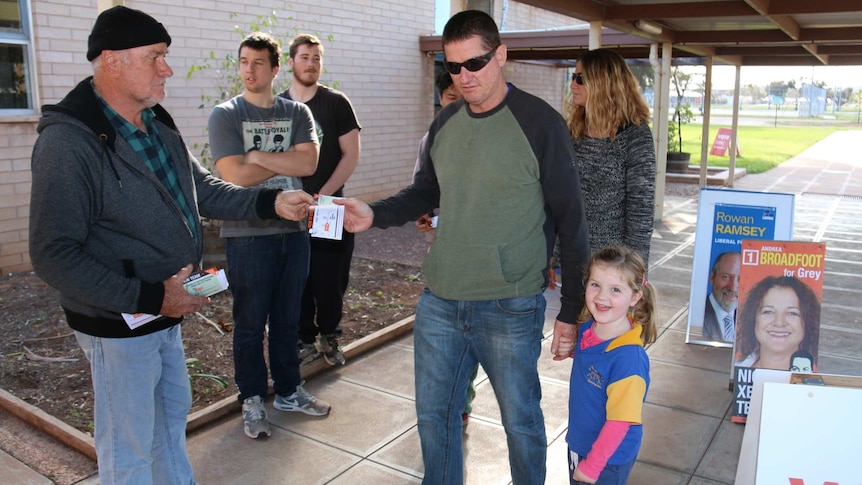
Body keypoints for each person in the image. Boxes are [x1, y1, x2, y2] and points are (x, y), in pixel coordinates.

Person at [28, 7, 314, 484]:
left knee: (167, 422)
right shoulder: (69, 142)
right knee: (129, 444)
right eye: (156, 57)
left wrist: (271, 201)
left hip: (166, 311)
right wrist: (153, 297)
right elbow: (52, 253)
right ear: (112, 60)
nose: (168, 68)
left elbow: (201, 189)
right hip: (119, 320)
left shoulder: (154, 120)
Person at [334, 10, 590, 484]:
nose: (465, 76)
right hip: (440, 301)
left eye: (475, 62)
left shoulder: (541, 124)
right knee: (435, 421)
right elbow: (423, 192)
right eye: (454, 67)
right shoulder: (445, 123)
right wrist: (374, 214)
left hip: (510, 302)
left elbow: (572, 221)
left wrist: (571, 310)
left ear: (501, 55)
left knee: (522, 425)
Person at [208, 32, 330, 440]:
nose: (249, 70)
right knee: (248, 323)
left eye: (258, 63)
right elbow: (233, 176)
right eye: (243, 62)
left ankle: (290, 391)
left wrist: (256, 156)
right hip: (246, 235)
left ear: (276, 68)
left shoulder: (296, 111)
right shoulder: (225, 115)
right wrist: (278, 160)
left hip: (293, 230)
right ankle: (252, 399)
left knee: (287, 319)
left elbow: (309, 162)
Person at [279, 33, 362, 366]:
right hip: (290, 207)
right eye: (304, 57)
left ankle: (330, 336)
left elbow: (351, 155)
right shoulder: (278, 106)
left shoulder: (336, 103)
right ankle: (304, 339)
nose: (311, 63)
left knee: (329, 276)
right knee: (295, 276)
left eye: (316, 58)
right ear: (290, 62)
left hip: (328, 208)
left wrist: (324, 194)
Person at [413, 68, 478, 429]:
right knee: (446, 341)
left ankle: (462, 400)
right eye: (451, 98)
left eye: (462, 97)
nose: (457, 104)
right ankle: (448, 404)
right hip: (440, 253)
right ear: (441, 98)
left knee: (471, 339)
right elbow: (421, 191)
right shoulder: (432, 139)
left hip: (477, 256)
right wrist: (422, 216)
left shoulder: (484, 135)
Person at [566, 246, 657, 485]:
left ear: (635, 297)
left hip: (606, 458)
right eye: (595, 285)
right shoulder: (588, 329)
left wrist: (592, 466)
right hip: (580, 442)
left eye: (615, 289)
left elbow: (620, 422)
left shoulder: (629, 361)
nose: (602, 296)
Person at [565, 48, 656, 266]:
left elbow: (640, 213)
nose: (572, 84)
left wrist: (635, 269)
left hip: (611, 266)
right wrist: (552, 254)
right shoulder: (573, 131)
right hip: (569, 259)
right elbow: (563, 202)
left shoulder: (635, 136)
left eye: (580, 78)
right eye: (572, 77)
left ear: (602, 83)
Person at [735, 275, 821, 370]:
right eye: (768, 312)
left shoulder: (819, 379)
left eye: (792, 313)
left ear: (808, 321)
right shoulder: (734, 372)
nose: (779, 323)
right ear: (753, 319)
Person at [702, 251, 741, 342]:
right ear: (712, 278)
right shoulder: (698, 314)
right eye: (726, 277)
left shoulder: (750, 319)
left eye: (741, 279)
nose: (733, 288)